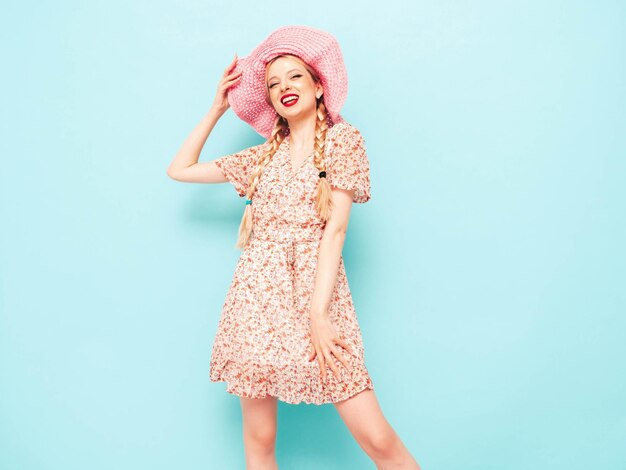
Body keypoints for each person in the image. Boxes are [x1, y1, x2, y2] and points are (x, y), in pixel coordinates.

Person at [167, 25, 421, 470]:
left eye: (295, 77)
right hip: (257, 300)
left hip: (317, 295)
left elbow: (335, 230)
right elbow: (180, 169)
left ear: (319, 87)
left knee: (377, 438)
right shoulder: (262, 157)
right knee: (260, 442)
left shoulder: (343, 140)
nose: (284, 87)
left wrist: (318, 314)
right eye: (273, 84)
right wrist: (216, 109)